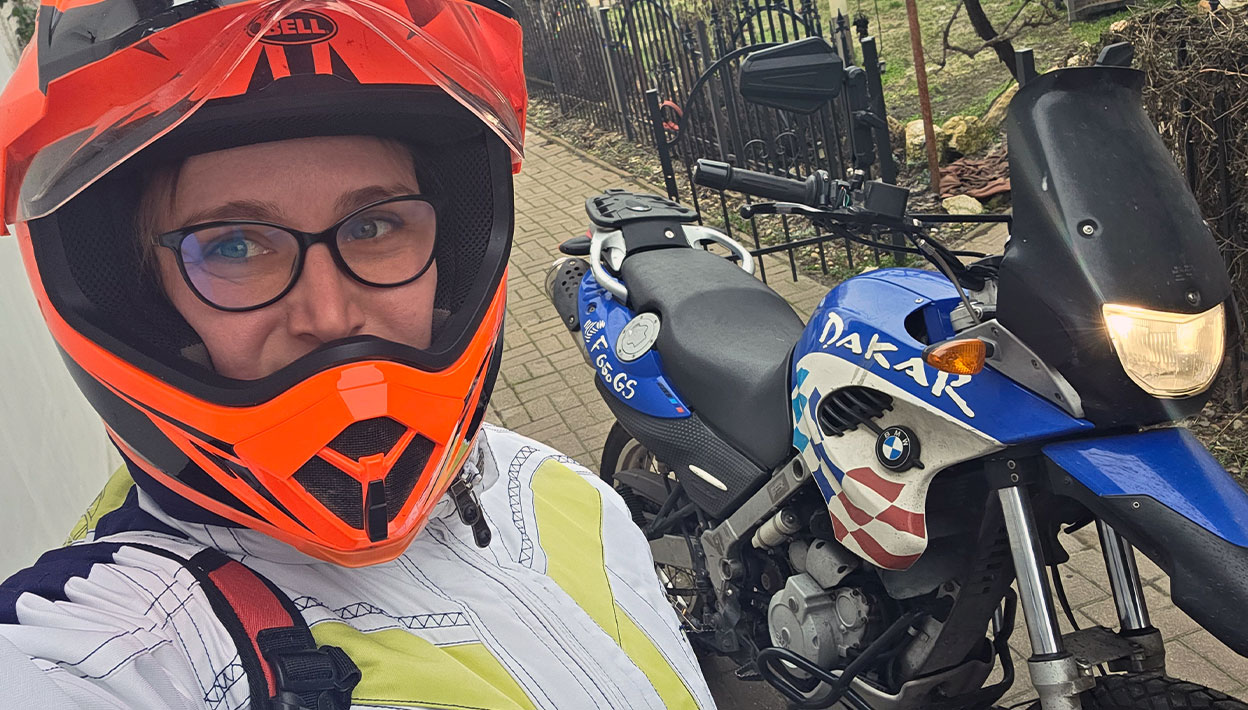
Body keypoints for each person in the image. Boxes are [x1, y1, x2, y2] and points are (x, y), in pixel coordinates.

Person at [0, 0, 716, 708]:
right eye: (236, 246)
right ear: (146, 302)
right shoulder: (123, 642)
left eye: (374, 227)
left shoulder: (560, 488)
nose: (331, 315)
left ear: (452, 252)